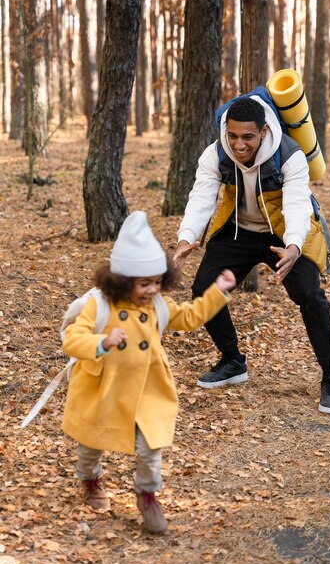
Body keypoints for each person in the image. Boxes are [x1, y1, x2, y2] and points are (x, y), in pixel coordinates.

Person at [61, 211, 236, 533]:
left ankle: (147, 495)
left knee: (150, 446)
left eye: (157, 282)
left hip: (147, 390)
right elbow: (73, 339)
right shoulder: (99, 306)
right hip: (104, 390)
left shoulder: (157, 306)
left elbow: (190, 316)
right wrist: (102, 342)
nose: (152, 289)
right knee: (90, 443)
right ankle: (90, 479)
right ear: (122, 281)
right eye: (144, 283)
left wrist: (217, 291)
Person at [173, 94, 330, 415]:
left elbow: (296, 203)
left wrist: (294, 245)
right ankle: (232, 361)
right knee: (204, 289)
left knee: (310, 294)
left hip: (284, 231)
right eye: (233, 136)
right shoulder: (216, 152)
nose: (239, 144)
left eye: (248, 137)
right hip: (239, 231)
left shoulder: (290, 155)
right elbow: (202, 194)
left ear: (264, 131)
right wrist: (187, 236)